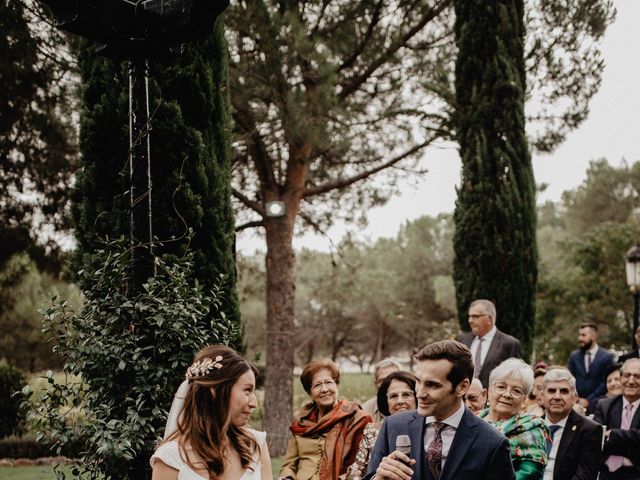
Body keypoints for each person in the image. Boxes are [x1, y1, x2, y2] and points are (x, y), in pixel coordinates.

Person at [365, 340, 515, 480]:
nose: (420, 393)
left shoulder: (493, 444)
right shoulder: (393, 426)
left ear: (462, 387)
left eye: (432, 385)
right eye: (418, 381)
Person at [151, 345, 271, 480]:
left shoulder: (256, 445)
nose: (254, 403)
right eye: (247, 390)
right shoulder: (171, 459)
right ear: (216, 390)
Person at [279, 358, 372, 480]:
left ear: (336, 385)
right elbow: (289, 465)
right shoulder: (301, 422)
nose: (324, 389)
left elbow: (361, 466)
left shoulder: (357, 419)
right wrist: (287, 477)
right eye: (317, 385)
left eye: (328, 382)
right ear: (309, 392)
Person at [478, 358, 549, 480]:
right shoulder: (472, 420)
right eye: (501, 387)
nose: (507, 394)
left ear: (523, 399)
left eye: (516, 391)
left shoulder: (532, 428)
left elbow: (530, 473)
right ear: (489, 392)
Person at [346, 371, 417, 480]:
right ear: (386, 402)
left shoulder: (429, 429)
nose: (400, 401)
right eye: (393, 396)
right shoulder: (372, 431)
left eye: (406, 395)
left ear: (417, 398)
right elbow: (355, 472)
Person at [541, 367, 602, 480]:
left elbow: (585, 476)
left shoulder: (589, 430)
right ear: (542, 397)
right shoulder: (531, 426)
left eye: (564, 391)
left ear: (575, 398)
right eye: (551, 391)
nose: (557, 397)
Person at [457, 299, 522, 388]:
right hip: (464, 395)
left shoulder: (509, 343)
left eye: (475, 316)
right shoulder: (463, 340)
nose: (470, 320)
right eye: (470, 316)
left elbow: (516, 376)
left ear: (490, 318)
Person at [593, 358, 640, 479]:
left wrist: (613, 434)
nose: (631, 381)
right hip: (606, 473)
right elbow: (597, 439)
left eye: (637, 376)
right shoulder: (604, 406)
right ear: (620, 378)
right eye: (627, 375)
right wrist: (632, 439)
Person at [567, 322, 615, 411]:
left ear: (593, 336)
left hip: (598, 404)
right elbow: (569, 378)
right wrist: (576, 398)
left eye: (583, 335)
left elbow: (606, 381)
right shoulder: (574, 356)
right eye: (579, 335)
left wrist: (589, 400)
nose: (580, 338)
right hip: (576, 404)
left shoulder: (607, 356)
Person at [362, 359, 402, 423]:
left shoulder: (413, 406)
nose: (388, 384)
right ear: (376, 384)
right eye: (383, 380)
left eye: (393, 379)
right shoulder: (365, 410)